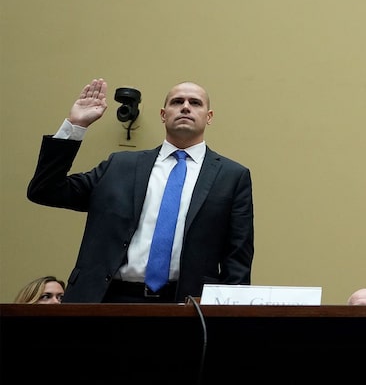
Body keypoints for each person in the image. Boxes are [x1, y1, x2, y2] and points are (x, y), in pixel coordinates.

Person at [26, 78, 254, 303]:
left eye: (195, 103)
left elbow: (238, 257)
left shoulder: (232, 177)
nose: (185, 107)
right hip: (109, 299)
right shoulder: (120, 166)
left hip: (187, 305)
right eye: (177, 102)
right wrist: (76, 126)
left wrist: (229, 319)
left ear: (209, 116)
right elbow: (45, 190)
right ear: (163, 114)